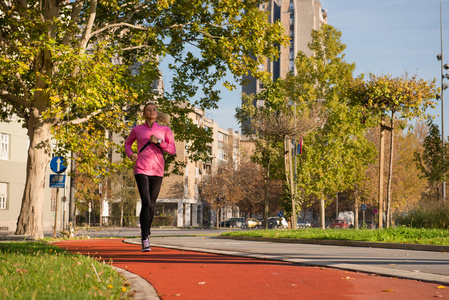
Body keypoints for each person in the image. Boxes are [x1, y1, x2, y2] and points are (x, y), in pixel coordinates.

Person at [124, 103, 176, 252]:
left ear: (157, 113)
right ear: (144, 113)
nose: (152, 111)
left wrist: (159, 142)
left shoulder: (165, 130)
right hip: (141, 168)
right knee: (146, 201)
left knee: (152, 204)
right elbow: (128, 143)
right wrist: (131, 154)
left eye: (154, 109)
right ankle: (145, 238)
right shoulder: (137, 129)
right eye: (148, 109)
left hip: (158, 170)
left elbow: (172, 150)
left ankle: (145, 231)